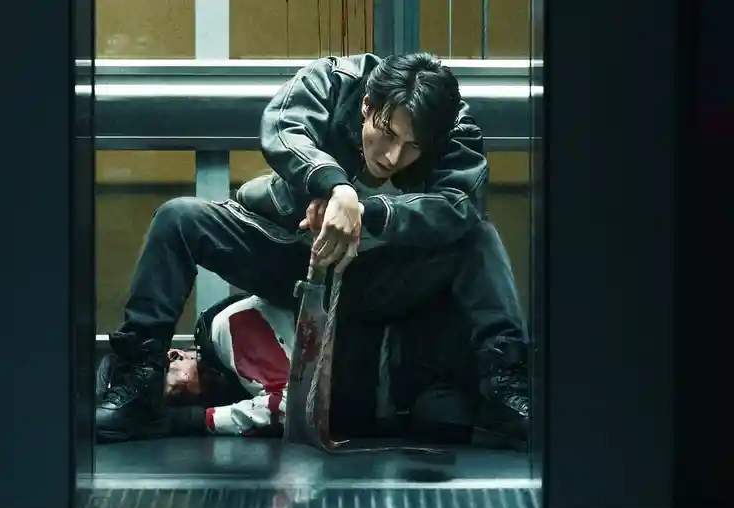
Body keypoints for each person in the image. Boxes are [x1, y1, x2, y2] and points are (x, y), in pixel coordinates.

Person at [95, 51, 530, 448]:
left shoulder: (451, 126)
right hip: (290, 251)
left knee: (479, 237)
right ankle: (139, 387)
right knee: (178, 218)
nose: (393, 156)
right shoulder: (336, 82)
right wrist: (333, 185)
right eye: (386, 134)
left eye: (413, 146)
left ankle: (505, 392)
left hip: (381, 274)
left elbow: (458, 204)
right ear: (367, 106)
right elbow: (285, 129)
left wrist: (365, 211)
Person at [97, 291, 489, 445]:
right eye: (171, 402)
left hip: (413, 357)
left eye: (168, 388)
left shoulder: (227, 329)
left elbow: (293, 404)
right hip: (404, 399)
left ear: (174, 356)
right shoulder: (230, 378)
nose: (178, 397)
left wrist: (198, 421)